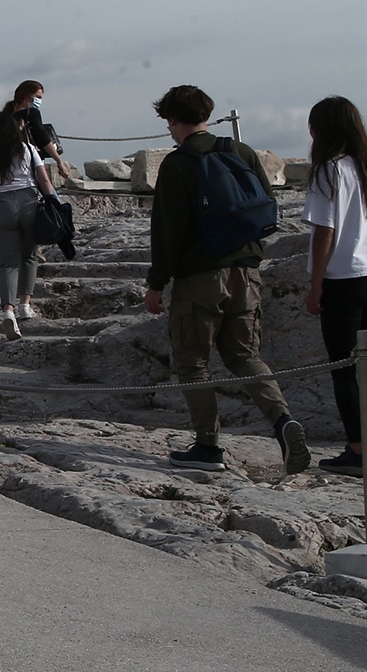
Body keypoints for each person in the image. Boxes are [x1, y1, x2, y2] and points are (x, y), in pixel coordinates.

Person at [143, 84, 307, 474]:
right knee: (244, 356)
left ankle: (207, 446)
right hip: (247, 273)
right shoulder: (242, 152)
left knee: (193, 362)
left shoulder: (178, 164)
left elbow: (167, 230)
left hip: (200, 277)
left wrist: (156, 282)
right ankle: (283, 421)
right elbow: (266, 205)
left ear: (173, 120)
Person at [304, 95, 366, 477]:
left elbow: (324, 231)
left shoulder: (330, 170)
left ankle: (358, 449)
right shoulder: (362, 168)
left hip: (342, 279)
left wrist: (315, 286)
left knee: (344, 368)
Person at [0, 110, 58, 339]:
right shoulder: (28, 150)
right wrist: (54, 203)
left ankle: (8, 313)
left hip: (2, 204)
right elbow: (43, 180)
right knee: (30, 256)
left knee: (7, 264)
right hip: (28, 201)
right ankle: (25, 304)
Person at [9, 80, 71, 181]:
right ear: (27, 97)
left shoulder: (8, 117)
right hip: (31, 164)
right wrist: (58, 160)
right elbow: (41, 137)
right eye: (38, 97)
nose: (40, 100)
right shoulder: (32, 113)